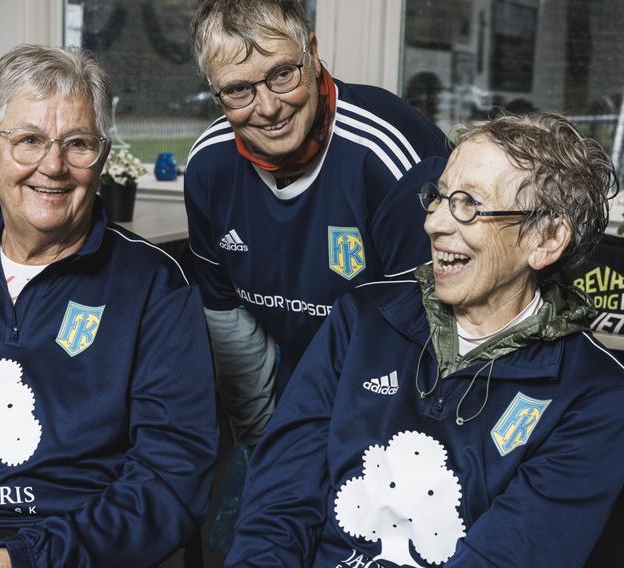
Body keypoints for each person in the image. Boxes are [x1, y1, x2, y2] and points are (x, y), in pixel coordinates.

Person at [225, 112, 624, 567]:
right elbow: (279, 501)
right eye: (438, 197)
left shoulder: (594, 396)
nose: (433, 224)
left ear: (545, 239)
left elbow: (507, 557)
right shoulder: (361, 319)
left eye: (468, 204)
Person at [0, 45, 217, 567]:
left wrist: (21, 559)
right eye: (30, 140)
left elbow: (171, 482)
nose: (53, 166)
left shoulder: (153, 287)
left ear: (102, 158)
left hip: (73, 549)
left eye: (78, 143)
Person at [185, 0, 450, 450]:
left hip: (400, 411)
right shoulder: (209, 167)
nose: (268, 108)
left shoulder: (390, 153)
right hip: (289, 402)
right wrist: (265, 448)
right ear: (215, 92)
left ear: (311, 51)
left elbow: (432, 330)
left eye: (282, 74)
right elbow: (229, 319)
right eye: (237, 90)